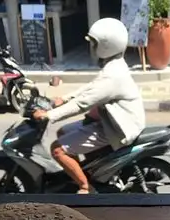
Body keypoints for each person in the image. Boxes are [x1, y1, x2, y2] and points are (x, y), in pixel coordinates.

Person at [32, 18, 145, 194]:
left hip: (116, 128)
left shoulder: (113, 75)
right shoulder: (114, 65)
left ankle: (85, 187)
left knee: (57, 149)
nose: (91, 46)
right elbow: (91, 87)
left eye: (94, 43)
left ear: (106, 45)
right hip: (109, 121)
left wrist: (49, 116)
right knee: (63, 131)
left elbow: (83, 103)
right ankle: (86, 171)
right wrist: (64, 98)